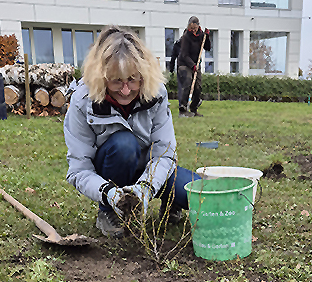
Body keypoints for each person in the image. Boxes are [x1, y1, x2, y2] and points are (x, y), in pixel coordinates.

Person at [63, 26, 201, 238]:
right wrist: (109, 193)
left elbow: (165, 153)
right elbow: (79, 170)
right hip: (112, 168)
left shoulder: (156, 92)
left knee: (197, 192)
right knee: (124, 144)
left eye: (133, 79)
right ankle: (108, 211)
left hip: (149, 167)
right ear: (101, 77)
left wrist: (145, 188)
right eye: (116, 80)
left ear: (144, 75)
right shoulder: (83, 101)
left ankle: (170, 202)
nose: (126, 90)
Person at [177, 16, 211, 117]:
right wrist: (192, 65)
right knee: (188, 82)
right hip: (184, 64)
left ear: (198, 27)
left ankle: (193, 109)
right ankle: (183, 108)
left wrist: (207, 37)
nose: (193, 30)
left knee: (198, 87)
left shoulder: (201, 35)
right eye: (191, 28)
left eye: (195, 28)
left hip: (196, 64)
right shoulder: (186, 37)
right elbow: (184, 55)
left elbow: (208, 47)